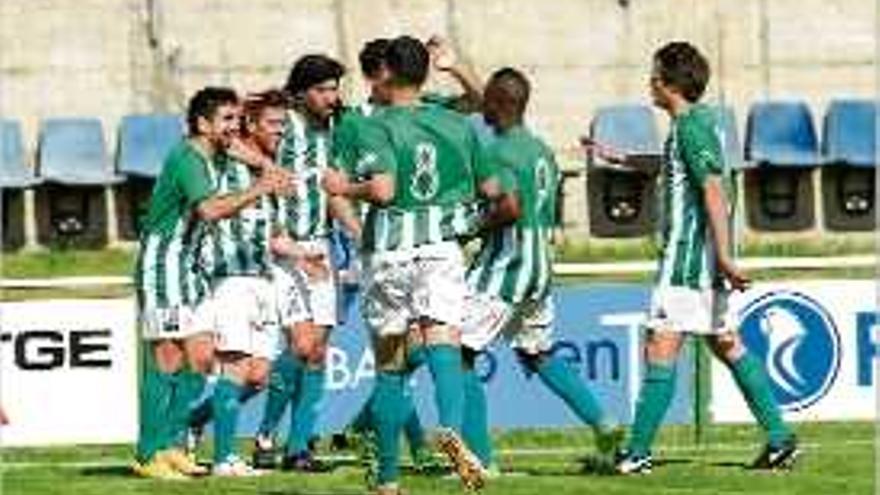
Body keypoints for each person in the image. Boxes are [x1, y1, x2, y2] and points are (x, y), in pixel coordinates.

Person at [588, 41, 799, 474]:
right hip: (703, 263)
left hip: (688, 263)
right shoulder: (696, 123)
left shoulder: (690, 128)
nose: (649, 81)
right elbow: (673, 167)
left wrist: (723, 256)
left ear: (670, 83)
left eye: (654, 74)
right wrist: (617, 156)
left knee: (660, 345)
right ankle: (779, 439)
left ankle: (636, 452)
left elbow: (714, 191)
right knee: (726, 343)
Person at [323, 35, 488, 495]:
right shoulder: (439, 115)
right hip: (439, 245)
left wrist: (343, 190)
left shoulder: (362, 123)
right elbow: (481, 106)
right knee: (443, 344)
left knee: (390, 365)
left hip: (391, 249)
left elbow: (378, 190)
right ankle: (451, 427)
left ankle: (388, 478)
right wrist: (452, 67)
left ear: (384, 74)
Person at [459, 67, 624, 475]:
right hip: (540, 270)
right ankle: (602, 421)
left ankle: (479, 461)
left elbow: (511, 208)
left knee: (457, 356)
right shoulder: (540, 150)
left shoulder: (499, 151)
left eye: (487, 106)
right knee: (538, 353)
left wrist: (470, 230)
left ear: (498, 105)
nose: (482, 113)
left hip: (506, 267)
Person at [132, 87, 290, 479]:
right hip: (163, 266)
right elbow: (209, 210)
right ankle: (148, 453)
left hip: (189, 270)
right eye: (227, 120)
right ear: (203, 124)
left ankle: (172, 446)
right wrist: (260, 187)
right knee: (166, 358)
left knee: (196, 360)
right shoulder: (188, 158)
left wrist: (269, 169)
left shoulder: (216, 148)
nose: (234, 127)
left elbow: (244, 153)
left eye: (237, 119)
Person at [253, 54, 359, 472]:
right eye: (323, 90)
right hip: (285, 248)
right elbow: (258, 171)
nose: (332, 97)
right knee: (299, 345)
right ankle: (264, 434)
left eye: (335, 89)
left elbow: (331, 192)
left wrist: (356, 233)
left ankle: (298, 448)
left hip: (320, 247)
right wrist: (284, 242)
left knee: (316, 353)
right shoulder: (286, 127)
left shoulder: (331, 130)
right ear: (302, 92)